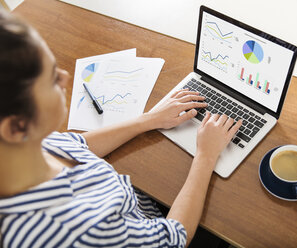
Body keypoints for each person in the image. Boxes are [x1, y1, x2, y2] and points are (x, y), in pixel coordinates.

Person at [0, 10, 242, 248]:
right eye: (51, 78)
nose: (65, 77)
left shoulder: (22, 149)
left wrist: (148, 119)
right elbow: (174, 238)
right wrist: (206, 155)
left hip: (137, 209)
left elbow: (77, 145)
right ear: (15, 127)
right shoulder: (80, 229)